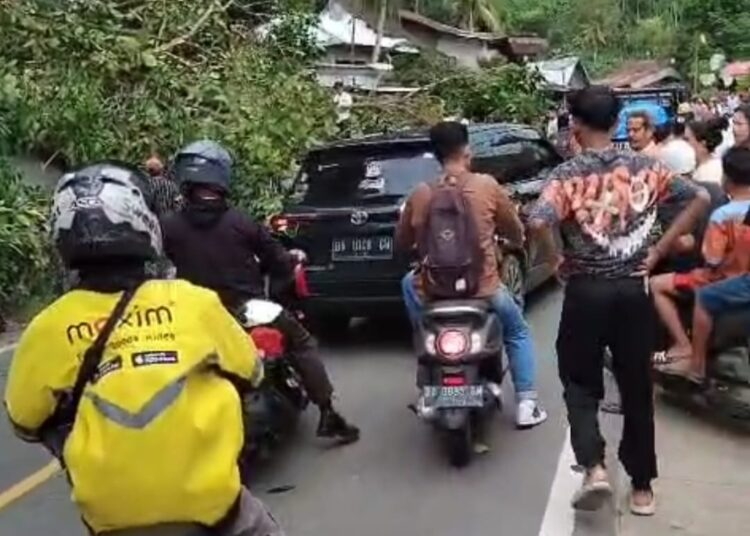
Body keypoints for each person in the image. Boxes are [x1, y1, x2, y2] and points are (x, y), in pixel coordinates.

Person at [4, 162, 284, 536]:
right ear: (143, 223)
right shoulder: (193, 302)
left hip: (109, 517)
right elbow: (252, 371)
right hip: (213, 505)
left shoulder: (47, 327)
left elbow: (26, 420)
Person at [528, 86, 710, 516]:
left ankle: (594, 468)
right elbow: (699, 199)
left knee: (580, 382)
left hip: (586, 292)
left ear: (574, 125)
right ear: (615, 124)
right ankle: (643, 487)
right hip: (633, 291)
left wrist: (557, 259)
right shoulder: (648, 166)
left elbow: (538, 220)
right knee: (636, 385)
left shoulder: (566, 175)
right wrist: (659, 249)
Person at [161, 140, 360, 444]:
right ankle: (327, 412)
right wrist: (287, 263)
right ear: (222, 178)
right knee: (302, 342)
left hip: (194, 316)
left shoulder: (169, 227)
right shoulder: (240, 223)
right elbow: (279, 262)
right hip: (247, 310)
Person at [396, 121, 548, 429]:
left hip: (434, 292)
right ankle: (526, 404)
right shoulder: (487, 186)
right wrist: (512, 242)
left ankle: (428, 355)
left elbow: (402, 243)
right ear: (467, 151)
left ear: (435, 156)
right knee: (517, 331)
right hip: (485, 290)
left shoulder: (420, 194)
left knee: (408, 288)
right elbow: (515, 231)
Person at [653, 146, 750, 379]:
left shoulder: (723, 215)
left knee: (657, 284)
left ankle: (690, 354)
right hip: (741, 276)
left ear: (727, 178)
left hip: (724, 277)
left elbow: (712, 259)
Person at [687, 117, 726, 185]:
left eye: (687, 139)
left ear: (702, 143)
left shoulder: (707, 174)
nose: (682, 143)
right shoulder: (696, 165)